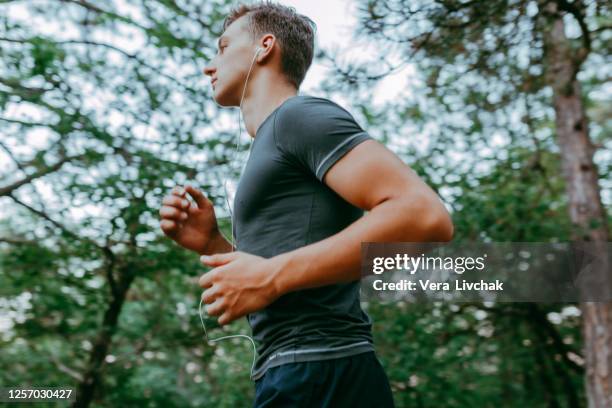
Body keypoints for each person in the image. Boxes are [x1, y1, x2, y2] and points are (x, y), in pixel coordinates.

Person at [159, 2, 453, 407]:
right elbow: (275, 281)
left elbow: (424, 217)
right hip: (295, 372)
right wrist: (213, 244)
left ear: (265, 47)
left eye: (223, 48)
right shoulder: (274, 139)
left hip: (321, 369)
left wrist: (271, 277)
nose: (210, 66)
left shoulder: (298, 117)